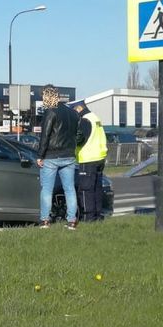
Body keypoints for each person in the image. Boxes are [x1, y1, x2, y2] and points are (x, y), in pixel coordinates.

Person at [35, 85, 80, 229]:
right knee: (70, 189)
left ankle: (45, 220)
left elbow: (45, 136)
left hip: (52, 156)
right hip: (69, 156)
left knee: (47, 189)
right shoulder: (73, 113)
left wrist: (40, 156)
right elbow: (78, 135)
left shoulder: (50, 112)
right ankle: (72, 220)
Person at [71, 101, 107, 222]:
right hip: (99, 158)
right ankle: (98, 215)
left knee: (86, 190)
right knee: (97, 189)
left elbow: (79, 138)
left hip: (88, 159)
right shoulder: (95, 118)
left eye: (74, 110)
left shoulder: (85, 120)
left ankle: (88, 217)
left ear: (78, 108)